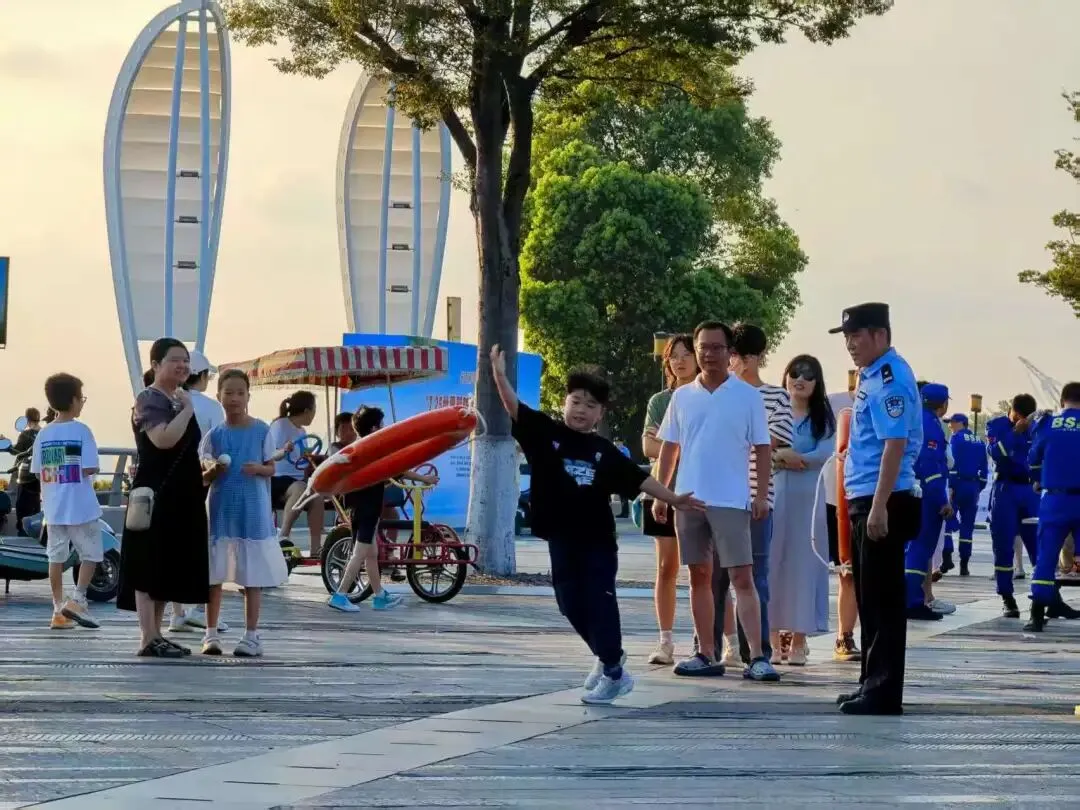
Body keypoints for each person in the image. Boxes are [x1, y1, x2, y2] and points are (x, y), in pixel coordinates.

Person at [491, 344, 704, 705]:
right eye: (576, 401)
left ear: (600, 413)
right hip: (561, 538)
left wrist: (673, 498)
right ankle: (609, 657)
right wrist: (498, 375)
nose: (581, 410)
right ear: (565, 403)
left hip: (598, 542)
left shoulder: (604, 451)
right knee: (569, 604)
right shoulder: (545, 433)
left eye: (590, 405)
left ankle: (614, 672)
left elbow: (640, 479)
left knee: (600, 603)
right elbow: (514, 407)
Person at [653, 320, 780, 682]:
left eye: (716, 347)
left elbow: (762, 448)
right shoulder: (682, 397)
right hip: (689, 499)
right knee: (699, 576)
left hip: (731, 500)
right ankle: (706, 653)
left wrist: (760, 495)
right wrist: (662, 493)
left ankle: (757, 657)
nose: (709, 354)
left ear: (729, 352)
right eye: (703, 347)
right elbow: (670, 447)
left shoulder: (747, 396)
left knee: (742, 577)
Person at [829, 302, 921, 716]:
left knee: (883, 600)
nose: (850, 344)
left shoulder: (890, 378)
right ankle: (870, 682)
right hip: (866, 495)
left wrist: (880, 506)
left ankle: (883, 692)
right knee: (869, 597)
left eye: (857, 336)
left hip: (884, 497)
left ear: (880, 335)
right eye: (847, 337)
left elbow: (894, 444)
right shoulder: (872, 374)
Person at [117, 338, 210, 658]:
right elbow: (164, 439)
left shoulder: (176, 397)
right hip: (155, 494)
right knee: (147, 563)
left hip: (181, 495)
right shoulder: (149, 398)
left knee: (166, 564)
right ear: (156, 365)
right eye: (175, 360)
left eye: (186, 360)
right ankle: (147, 636)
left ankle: (157, 635)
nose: (183, 365)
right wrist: (187, 410)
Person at [198, 369, 289, 656]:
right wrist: (215, 469)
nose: (234, 398)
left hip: (253, 510)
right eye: (229, 392)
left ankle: (251, 635)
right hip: (221, 509)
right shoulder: (214, 435)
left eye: (240, 393)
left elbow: (272, 467)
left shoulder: (262, 430)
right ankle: (210, 634)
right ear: (219, 396)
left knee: (253, 576)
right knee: (214, 574)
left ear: (249, 396)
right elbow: (204, 473)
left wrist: (258, 469)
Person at [718, 322, 793, 665]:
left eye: (738, 355)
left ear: (755, 357)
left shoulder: (777, 397)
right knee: (716, 577)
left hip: (757, 498)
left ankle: (756, 651)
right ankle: (712, 646)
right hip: (719, 497)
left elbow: (767, 442)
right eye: (731, 354)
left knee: (755, 576)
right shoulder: (716, 394)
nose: (734, 361)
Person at [327, 406, 439, 613]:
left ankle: (379, 596)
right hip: (367, 509)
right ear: (373, 428)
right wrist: (425, 478)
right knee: (359, 553)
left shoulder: (359, 449)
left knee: (371, 554)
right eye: (381, 424)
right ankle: (340, 595)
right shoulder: (373, 450)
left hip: (359, 508)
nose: (384, 427)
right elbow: (398, 469)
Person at [769, 355, 836, 665]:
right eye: (795, 372)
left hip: (809, 501)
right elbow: (760, 449)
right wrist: (783, 457)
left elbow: (825, 453)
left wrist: (793, 457)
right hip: (774, 498)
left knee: (804, 566)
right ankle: (771, 638)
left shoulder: (823, 419)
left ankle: (799, 639)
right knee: (772, 564)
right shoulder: (772, 413)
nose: (800, 379)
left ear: (817, 382)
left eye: (808, 375)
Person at [640, 333, 698, 666]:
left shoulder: (707, 397)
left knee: (705, 570)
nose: (679, 360)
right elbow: (648, 447)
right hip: (663, 490)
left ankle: (714, 639)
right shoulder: (660, 402)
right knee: (666, 568)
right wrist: (682, 447)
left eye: (686, 354)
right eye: (673, 355)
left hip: (700, 492)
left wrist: (670, 446)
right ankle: (665, 641)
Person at [30, 375, 103, 630]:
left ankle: (57, 611)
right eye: (81, 398)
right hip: (81, 506)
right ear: (73, 400)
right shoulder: (82, 431)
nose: (82, 403)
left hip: (53, 507)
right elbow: (90, 467)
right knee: (92, 553)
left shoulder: (43, 434)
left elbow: (38, 472)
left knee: (56, 557)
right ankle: (78, 599)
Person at [170, 348, 227, 635]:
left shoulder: (170, 400)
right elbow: (219, 447)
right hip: (204, 482)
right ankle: (200, 610)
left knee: (176, 549)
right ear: (202, 376)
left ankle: (177, 613)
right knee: (204, 548)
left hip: (172, 483)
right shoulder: (211, 407)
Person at [1024, 390, 1080, 631]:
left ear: (1062, 401)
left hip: (1055, 500)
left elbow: (1032, 460)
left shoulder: (1048, 424)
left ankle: (1036, 615)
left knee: (1046, 559)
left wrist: (1039, 479)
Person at [986, 394, 1040, 618]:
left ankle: (1045, 596)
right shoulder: (997, 425)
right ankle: (1007, 597)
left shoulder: (1036, 427)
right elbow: (995, 453)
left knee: (1039, 544)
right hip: (1005, 489)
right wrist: (1015, 433)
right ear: (1014, 413)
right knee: (1003, 544)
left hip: (1030, 490)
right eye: (1021, 417)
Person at [903, 383, 953, 621]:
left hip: (910, 489)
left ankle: (910, 598)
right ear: (943, 404)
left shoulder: (913, 418)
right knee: (920, 548)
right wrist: (942, 500)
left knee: (912, 548)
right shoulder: (932, 426)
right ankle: (912, 601)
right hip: (925, 495)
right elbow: (931, 465)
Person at [825, 381, 861, 662]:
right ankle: (787, 634)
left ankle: (845, 635)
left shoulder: (884, 405)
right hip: (824, 498)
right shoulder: (830, 404)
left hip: (859, 500)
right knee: (800, 568)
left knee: (850, 573)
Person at [269, 391, 326, 559]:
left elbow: (301, 459)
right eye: (314, 410)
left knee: (317, 495)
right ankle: (283, 536)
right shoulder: (280, 425)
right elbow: (270, 453)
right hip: (276, 479)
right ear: (307, 411)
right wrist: (284, 450)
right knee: (301, 488)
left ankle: (316, 549)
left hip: (295, 480)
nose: (314, 414)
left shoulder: (302, 431)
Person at [942, 413, 987, 577]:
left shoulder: (956, 439)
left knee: (947, 520)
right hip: (973, 486)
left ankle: (947, 556)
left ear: (962, 423)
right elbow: (984, 468)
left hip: (958, 484)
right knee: (968, 527)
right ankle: (964, 564)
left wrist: (951, 486)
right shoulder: (979, 441)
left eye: (952, 422)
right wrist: (979, 487)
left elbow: (952, 463)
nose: (950, 425)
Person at [4, 407, 44, 528]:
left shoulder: (25, 434)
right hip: (39, 474)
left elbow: (16, 451)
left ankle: (21, 528)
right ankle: (35, 528)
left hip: (24, 475)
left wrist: (6, 443)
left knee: (22, 503)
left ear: (26, 419)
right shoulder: (44, 433)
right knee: (36, 502)